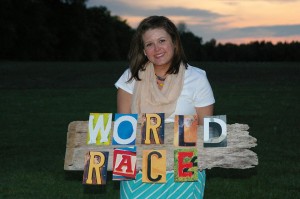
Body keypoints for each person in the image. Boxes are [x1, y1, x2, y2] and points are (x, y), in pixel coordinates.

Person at [115, 16, 215, 199]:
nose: (157, 49)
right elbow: (123, 128)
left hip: (183, 170)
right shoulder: (130, 78)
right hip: (140, 168)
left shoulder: (197, 79)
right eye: (149, 44)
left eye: (162, 41)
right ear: (144, 51)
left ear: (174, 43)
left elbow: (205, 131)